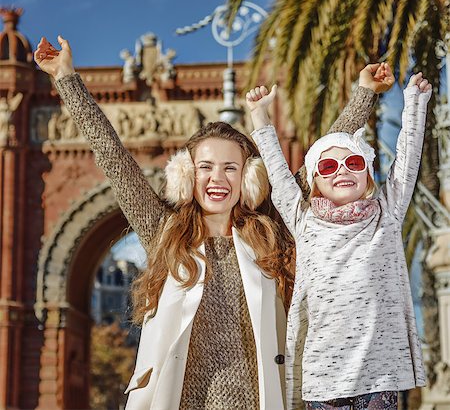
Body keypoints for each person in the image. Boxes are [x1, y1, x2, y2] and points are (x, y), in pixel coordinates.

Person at [35, 35, 387, 410]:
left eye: (230, 168)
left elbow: (320, 165)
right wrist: (65, 77)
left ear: (248, 178)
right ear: (187, 174)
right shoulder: (164, 231)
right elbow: (113, 158)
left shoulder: (268, 231)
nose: (217, 179)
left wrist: (364, 93)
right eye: (205, 167)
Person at [246, 71, 431, 410]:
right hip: (323, 376)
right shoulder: (304, 221)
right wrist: (259, 115)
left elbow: (407, 162)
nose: (342, 170)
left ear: (368, 175)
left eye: (353, 162)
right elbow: (278, 174)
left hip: (379, 375)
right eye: (328, 166)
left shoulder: (386, 214)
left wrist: (415, 104)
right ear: (315, 181)